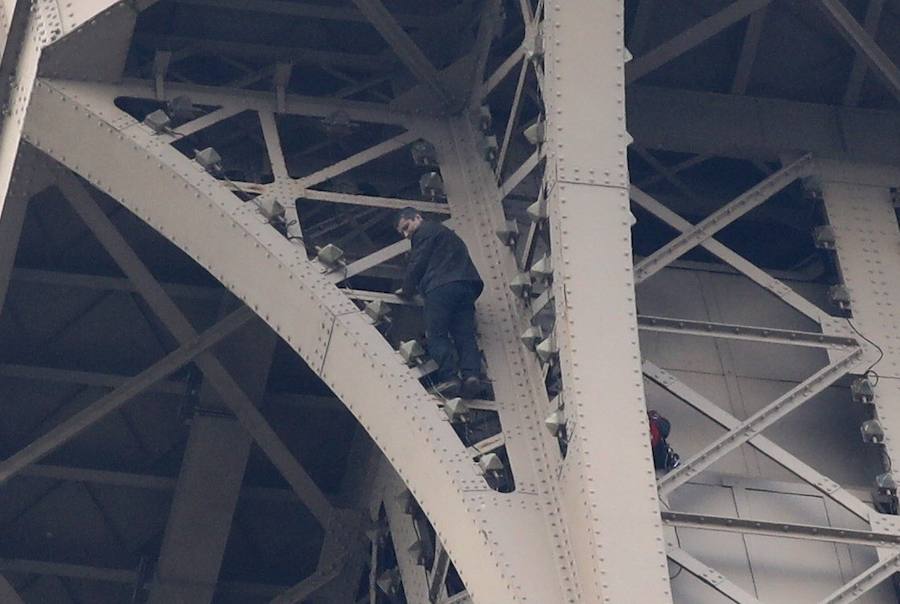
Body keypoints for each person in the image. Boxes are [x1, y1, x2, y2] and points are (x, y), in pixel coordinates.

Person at [395, 208, 484, 399]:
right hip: (466, 287)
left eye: (406, 227)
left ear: (417, 217)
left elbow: (418, 263)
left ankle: (449, 377)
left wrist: (407, 288)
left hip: (441, 288)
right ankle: (471, 376)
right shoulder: (448, 235)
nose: (406, 234)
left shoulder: (425, 232)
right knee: (465, 334)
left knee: (436, 333)